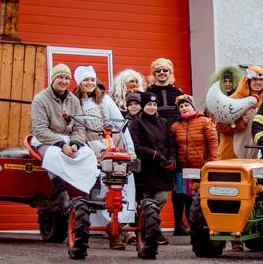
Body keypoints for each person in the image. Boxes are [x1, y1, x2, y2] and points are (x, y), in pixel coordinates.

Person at [30, 64, 94, 259]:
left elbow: (79, 127)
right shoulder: (41, 99)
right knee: (55, 156)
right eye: (60, 78)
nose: (64, 81)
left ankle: (87, 191)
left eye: (67, 78)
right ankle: (61, 193)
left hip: (68, 140)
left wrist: (75, 143)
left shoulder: (73, 100)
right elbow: (40, 129)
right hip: (46, 139)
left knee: (88, 155)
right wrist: (61, 144)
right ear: (53, 79)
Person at [73, 66, 135, 245]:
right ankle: (109, 229)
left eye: (92, 80)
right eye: (86, 80)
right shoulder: (75, 102)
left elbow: (121, 125)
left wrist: (129, 149)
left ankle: (124, 224)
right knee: (101, 182)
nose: (90, 83)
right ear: (79, 83)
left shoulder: (105, 100)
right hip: (90, 145)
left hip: (112, 142)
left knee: (122, 181)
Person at [128, 92, 176, 245]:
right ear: (143, 106)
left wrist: (172, 159)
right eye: (149, 104)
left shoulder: (164, 122)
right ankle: (152, 230)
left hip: (162, 170)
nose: (152, 107)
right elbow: (136, 146)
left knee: (161, 197)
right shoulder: (136, 123)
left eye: (154, 105)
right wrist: (154, 154)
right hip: (145, 170)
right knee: (145, 201)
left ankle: (150, 228)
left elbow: (171, 144)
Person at [169, 93, 218, 233]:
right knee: (179, 196)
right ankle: (178, 224)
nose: (184, 108)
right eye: (181, 106)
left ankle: (193, 225)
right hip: (181, 168)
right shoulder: (175, 126)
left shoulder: (205, 122)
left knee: (194, 196)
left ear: (193, 107)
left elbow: (213, 144)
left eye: (186, 105)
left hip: (200, 168)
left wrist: (212, 163)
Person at [216, 65, 263, 160]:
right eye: (255, 79)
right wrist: (240, 123)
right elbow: (219, 126)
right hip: (232, 157)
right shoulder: (232, 101)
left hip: (253, 158)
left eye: (261, 80)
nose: (258, 82)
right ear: (248, 80)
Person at [145, 58, 184, 124]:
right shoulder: (148, 92)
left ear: (170, 72)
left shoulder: (178, 92)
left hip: (176, 128)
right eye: (158, 70)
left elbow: (182, 110)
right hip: (156, 127)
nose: (161, 72)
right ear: (154, 74)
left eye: (165, 70)